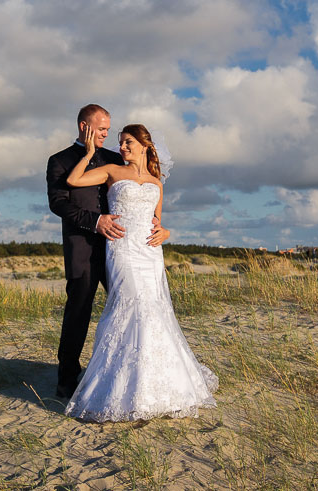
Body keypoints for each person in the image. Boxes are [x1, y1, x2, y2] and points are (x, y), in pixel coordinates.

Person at [62, 123, 218, 422]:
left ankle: (157, 385)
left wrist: (167, 231)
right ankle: (120, 386)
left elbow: (158, 220)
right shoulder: (111, 171)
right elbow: (73, 180)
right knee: (129, 305)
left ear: (145, 145)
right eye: (120, 142)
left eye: (128, 142)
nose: (122, 147)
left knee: (154, 309)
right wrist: (90, 152)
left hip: (150, 253)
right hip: (122, 250)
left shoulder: (157, 182)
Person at [46, 105, 170, 399]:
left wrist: (162, 229)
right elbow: (58, 203)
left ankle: (129, 375)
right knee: (78, 312)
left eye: (108, 130)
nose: (108, 136)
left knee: (134, 310)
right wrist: (96, 221)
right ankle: (67, 379)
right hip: (84, 248)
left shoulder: (117, 159)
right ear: (83, 126)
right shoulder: (60, 160)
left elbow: (145, 198)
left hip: (125, 251)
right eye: (102, 129)